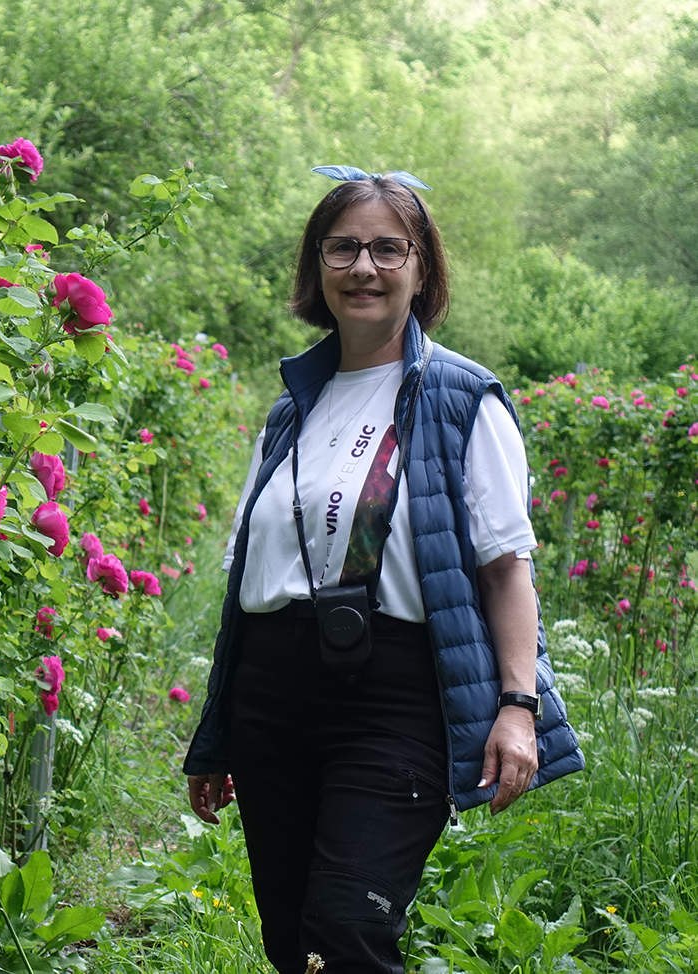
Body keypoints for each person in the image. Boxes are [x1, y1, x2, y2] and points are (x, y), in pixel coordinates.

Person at [183, 167, 583, 974]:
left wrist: (516, 707)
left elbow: (506, 568)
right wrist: (216, 730)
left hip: (391, 699)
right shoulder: (291, 405)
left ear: (421, 268)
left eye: (386, 248)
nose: (363, 267)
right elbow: (248, 582)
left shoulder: (461, 399)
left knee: (347, 929)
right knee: (290, 937)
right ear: (316, 266)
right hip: (271, 695)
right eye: (343, 248)